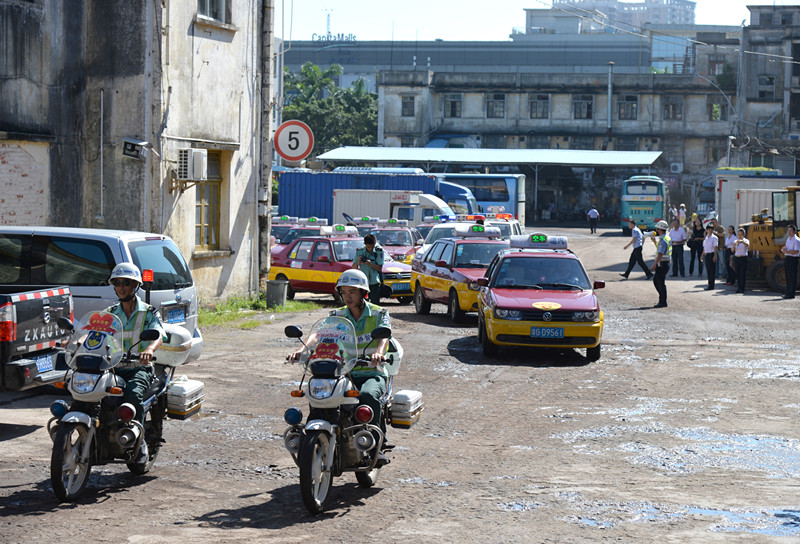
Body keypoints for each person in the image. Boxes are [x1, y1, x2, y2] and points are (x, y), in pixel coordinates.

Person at [289, 269, 392, 466]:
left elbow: (384, 337)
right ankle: (317, 434)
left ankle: (377, 444)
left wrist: (378, 352)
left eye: (352, 292)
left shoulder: (379, 314)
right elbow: (318, 334)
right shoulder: (337, 316)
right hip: (344, 371)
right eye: (344, 292)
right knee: (320, 392)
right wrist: (301, 349)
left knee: (367, 396)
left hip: (371, 371)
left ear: (364, 293)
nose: (348, 296)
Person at [105, 263, 164, 464]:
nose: (121, 287)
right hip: (114, 369)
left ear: (135, 286)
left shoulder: (148, 312)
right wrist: (77, 342)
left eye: (126, 283)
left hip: (139, 368)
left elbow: (159, 335)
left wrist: (149, 349)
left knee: (132, 394)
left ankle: (139, 443)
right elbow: (94, 334)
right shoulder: (109, 313)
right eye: (117, 283)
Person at [353, 234, 384, 305]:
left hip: (374, 282)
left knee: (375, 305)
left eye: (372, 247)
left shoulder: (378, 251)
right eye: (368, 247)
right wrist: (358, 262)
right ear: (364, 244)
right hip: (362, 282)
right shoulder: (359, 251)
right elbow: (354, 268)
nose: (370, 249)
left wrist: (370, 264)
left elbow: (379, 268)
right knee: (362, 304)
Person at [649, 220, 671, 308]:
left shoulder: (663, 240)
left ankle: (663, 301)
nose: (657, 230)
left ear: (660, 229)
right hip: (665, 263)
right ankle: (662, 299)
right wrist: (654, 242)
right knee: (657, 281)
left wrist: (655, 264)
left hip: (662, 264)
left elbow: (660, 254)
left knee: (660, 282)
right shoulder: (666, 238)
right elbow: (660, 249)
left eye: (657, 228)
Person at [781, 224, 800, 299]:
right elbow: (787, 247)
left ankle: (791, 294)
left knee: (792, 277)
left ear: (794, 231)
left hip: (793, 259)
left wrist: (786, 252)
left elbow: (796, 251)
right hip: (788, 259)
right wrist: (784, 249)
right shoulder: (788, 239)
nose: (789, 232)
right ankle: (788, 292)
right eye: (788, 231)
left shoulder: (796, 240)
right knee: (788, 276)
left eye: (790, 231)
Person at [732, 228, 749, 294]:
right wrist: (734, 245)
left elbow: (747, 245)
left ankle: (742, 288)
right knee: (738, 274)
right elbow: (732, 250)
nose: (739, 236)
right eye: (738, 234)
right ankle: (738, 288)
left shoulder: (746, 241)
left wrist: (742, 241)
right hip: (737, 258)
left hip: (743, 258)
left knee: (742, 274)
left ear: (744, 235)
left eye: (741, 234)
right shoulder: (735, 241)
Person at [702, 224, 719, 290]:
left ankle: (711, 285)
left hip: (711, 254)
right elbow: (705, 247)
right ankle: (709, 284)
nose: (710, 230)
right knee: (708, 270)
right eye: (709, 229)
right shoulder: (706, 238)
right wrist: (702, 255)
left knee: (712, 271)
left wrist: (715, 255)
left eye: (712, 229)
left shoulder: (714, 237)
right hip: (707, 254)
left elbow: (715, 247)